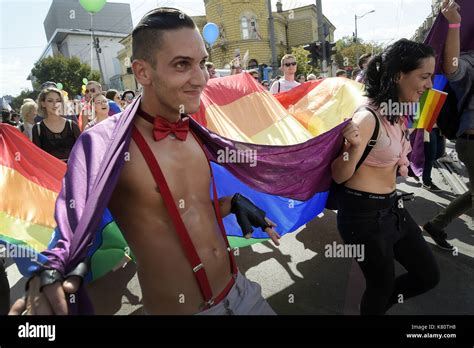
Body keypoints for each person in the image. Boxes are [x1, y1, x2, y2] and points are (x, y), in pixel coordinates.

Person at [14, 8, 279, 316]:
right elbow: (71, 224)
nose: (201, 78)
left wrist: (231, 202)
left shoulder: (195, 130)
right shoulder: (105, 143)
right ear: (142, 72)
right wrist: (50, 270)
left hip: (242, 292)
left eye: (203, 63)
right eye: (182, 64)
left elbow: (185, 211)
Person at [331, 39, 440, 315]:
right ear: (399, 75)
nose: (428, 85)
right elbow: (339, 174)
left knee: (428, 275)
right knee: (380, 285)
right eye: (424, 77)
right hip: (362, 217)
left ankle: (375, 308)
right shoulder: (367, 118)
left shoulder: (399, 113)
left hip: (393, 209)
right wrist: (353, 148)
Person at [423, 0, 473, 250]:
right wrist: (454, 23)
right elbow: (451, 69)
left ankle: (436, 224)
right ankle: (436, 224)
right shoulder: (470, 60)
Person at [32, 87, 80, 162]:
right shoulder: (37, 128)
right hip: (50, 172)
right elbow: (37, 158)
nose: (55, 104)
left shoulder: (72, 125)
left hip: (73, 171)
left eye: (58, 101)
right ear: (43, 103)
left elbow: (82, 152)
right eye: (50, 101)